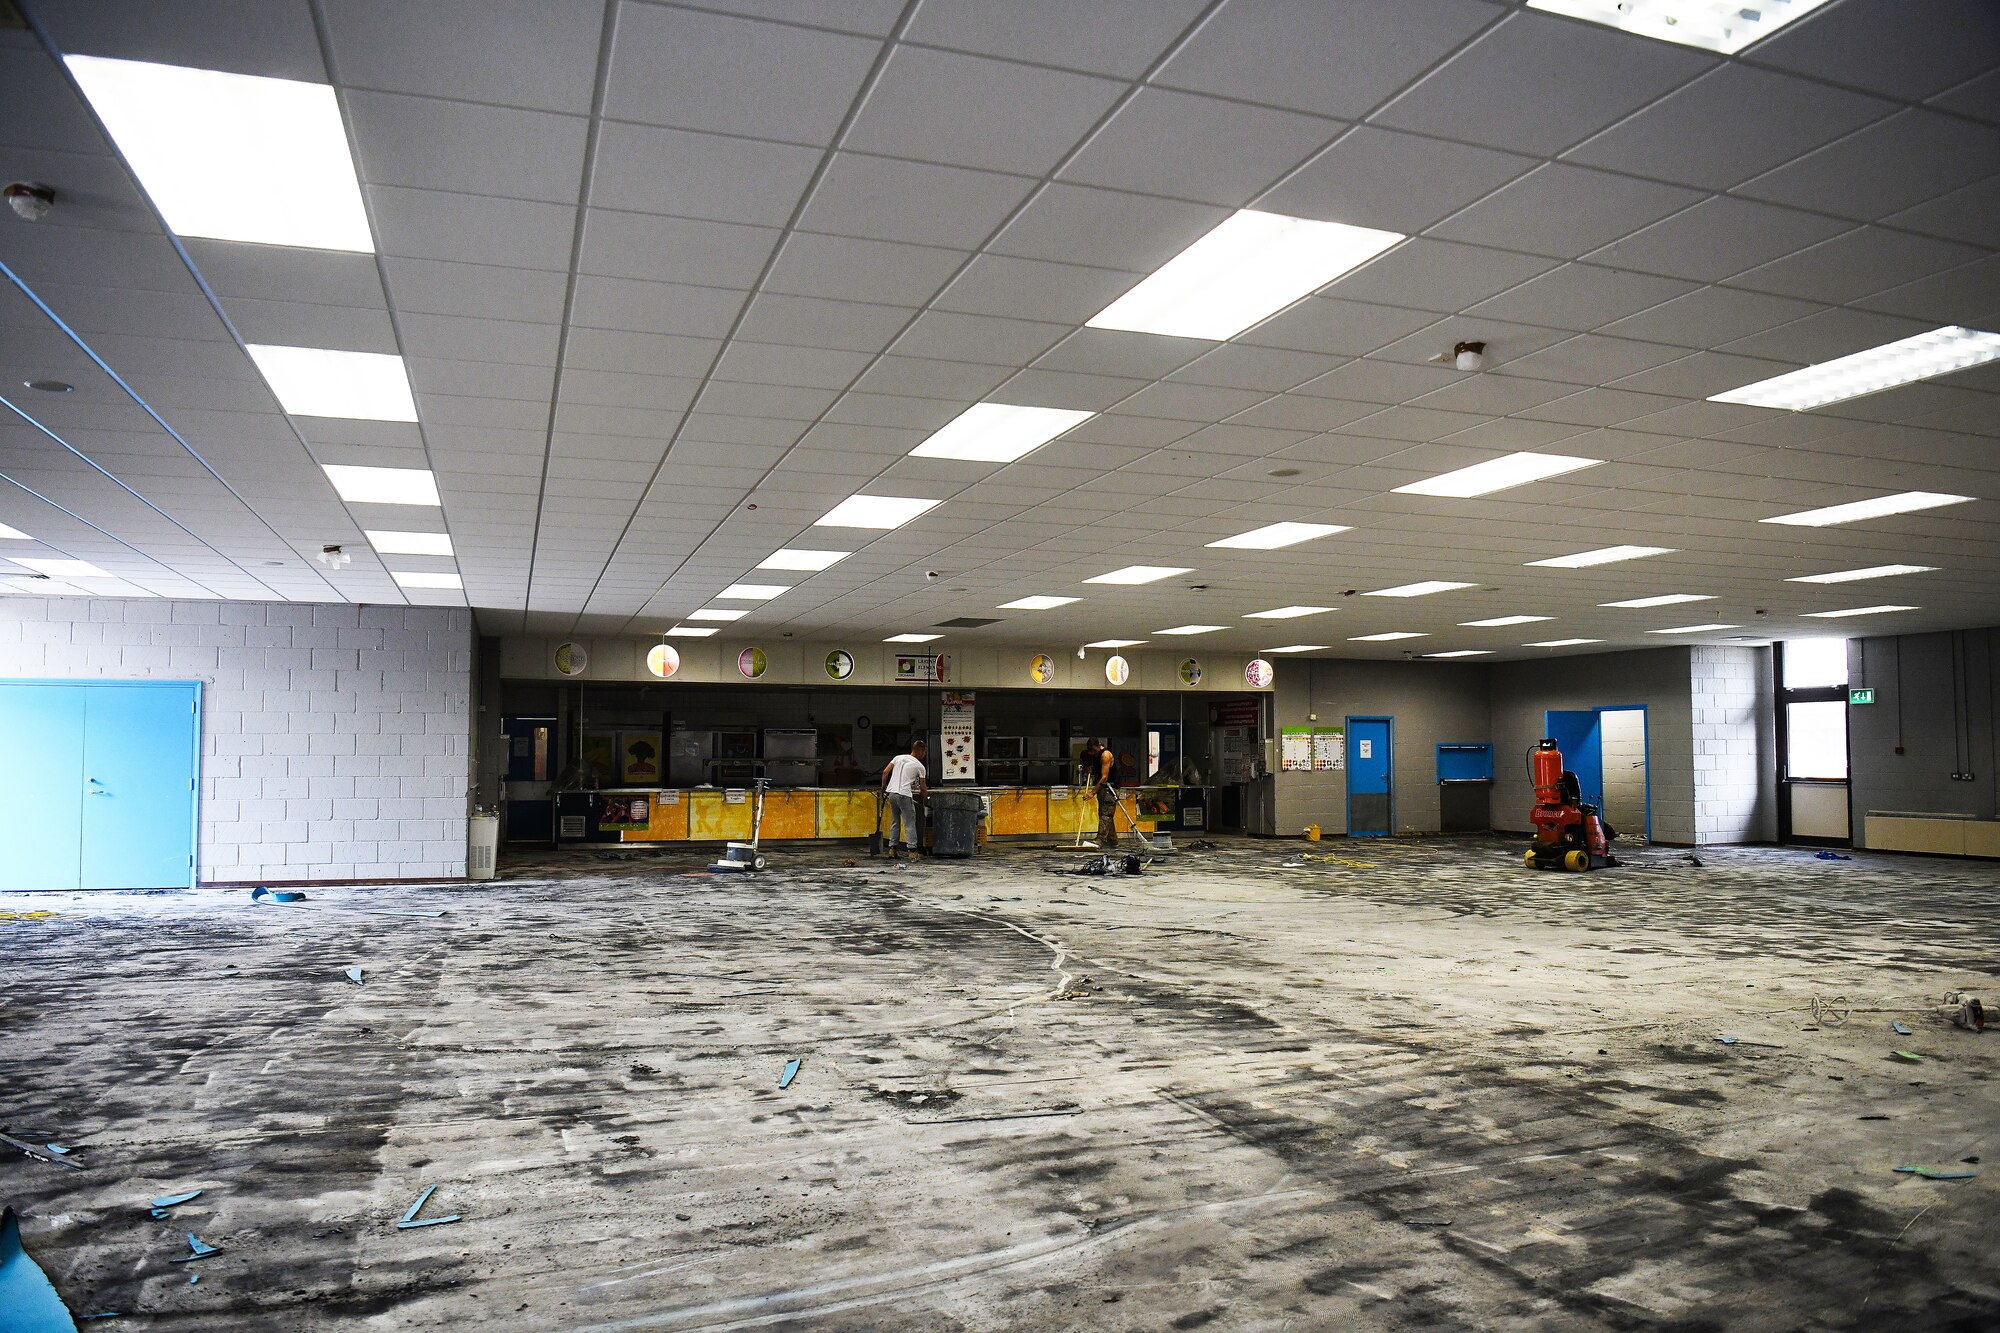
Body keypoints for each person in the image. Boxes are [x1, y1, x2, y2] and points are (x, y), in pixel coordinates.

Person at [880, 740, 928, 858]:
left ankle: (893, 849)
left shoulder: (898, 758)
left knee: (895, 821)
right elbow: (922, 786)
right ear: (920, 751)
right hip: (904, 794)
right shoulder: (919, 766)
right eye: (924, 752)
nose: (925, 755)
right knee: (910, 822)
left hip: (892, 793)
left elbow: (885, 772)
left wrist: (884, 787)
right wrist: (925, 797)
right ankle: (912, 851)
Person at [1081, 737, 1118, 849]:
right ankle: (1112, 839)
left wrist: (1092, 792)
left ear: (1098, 746)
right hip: (1102, 788)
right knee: (1104, 813)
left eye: (1094, 750)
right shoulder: (1096, 755)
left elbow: (1104, 777)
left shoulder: (1105, 755)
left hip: (1110, 787)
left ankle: (1101, 839)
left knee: (1105, 814)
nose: (1093, 753)